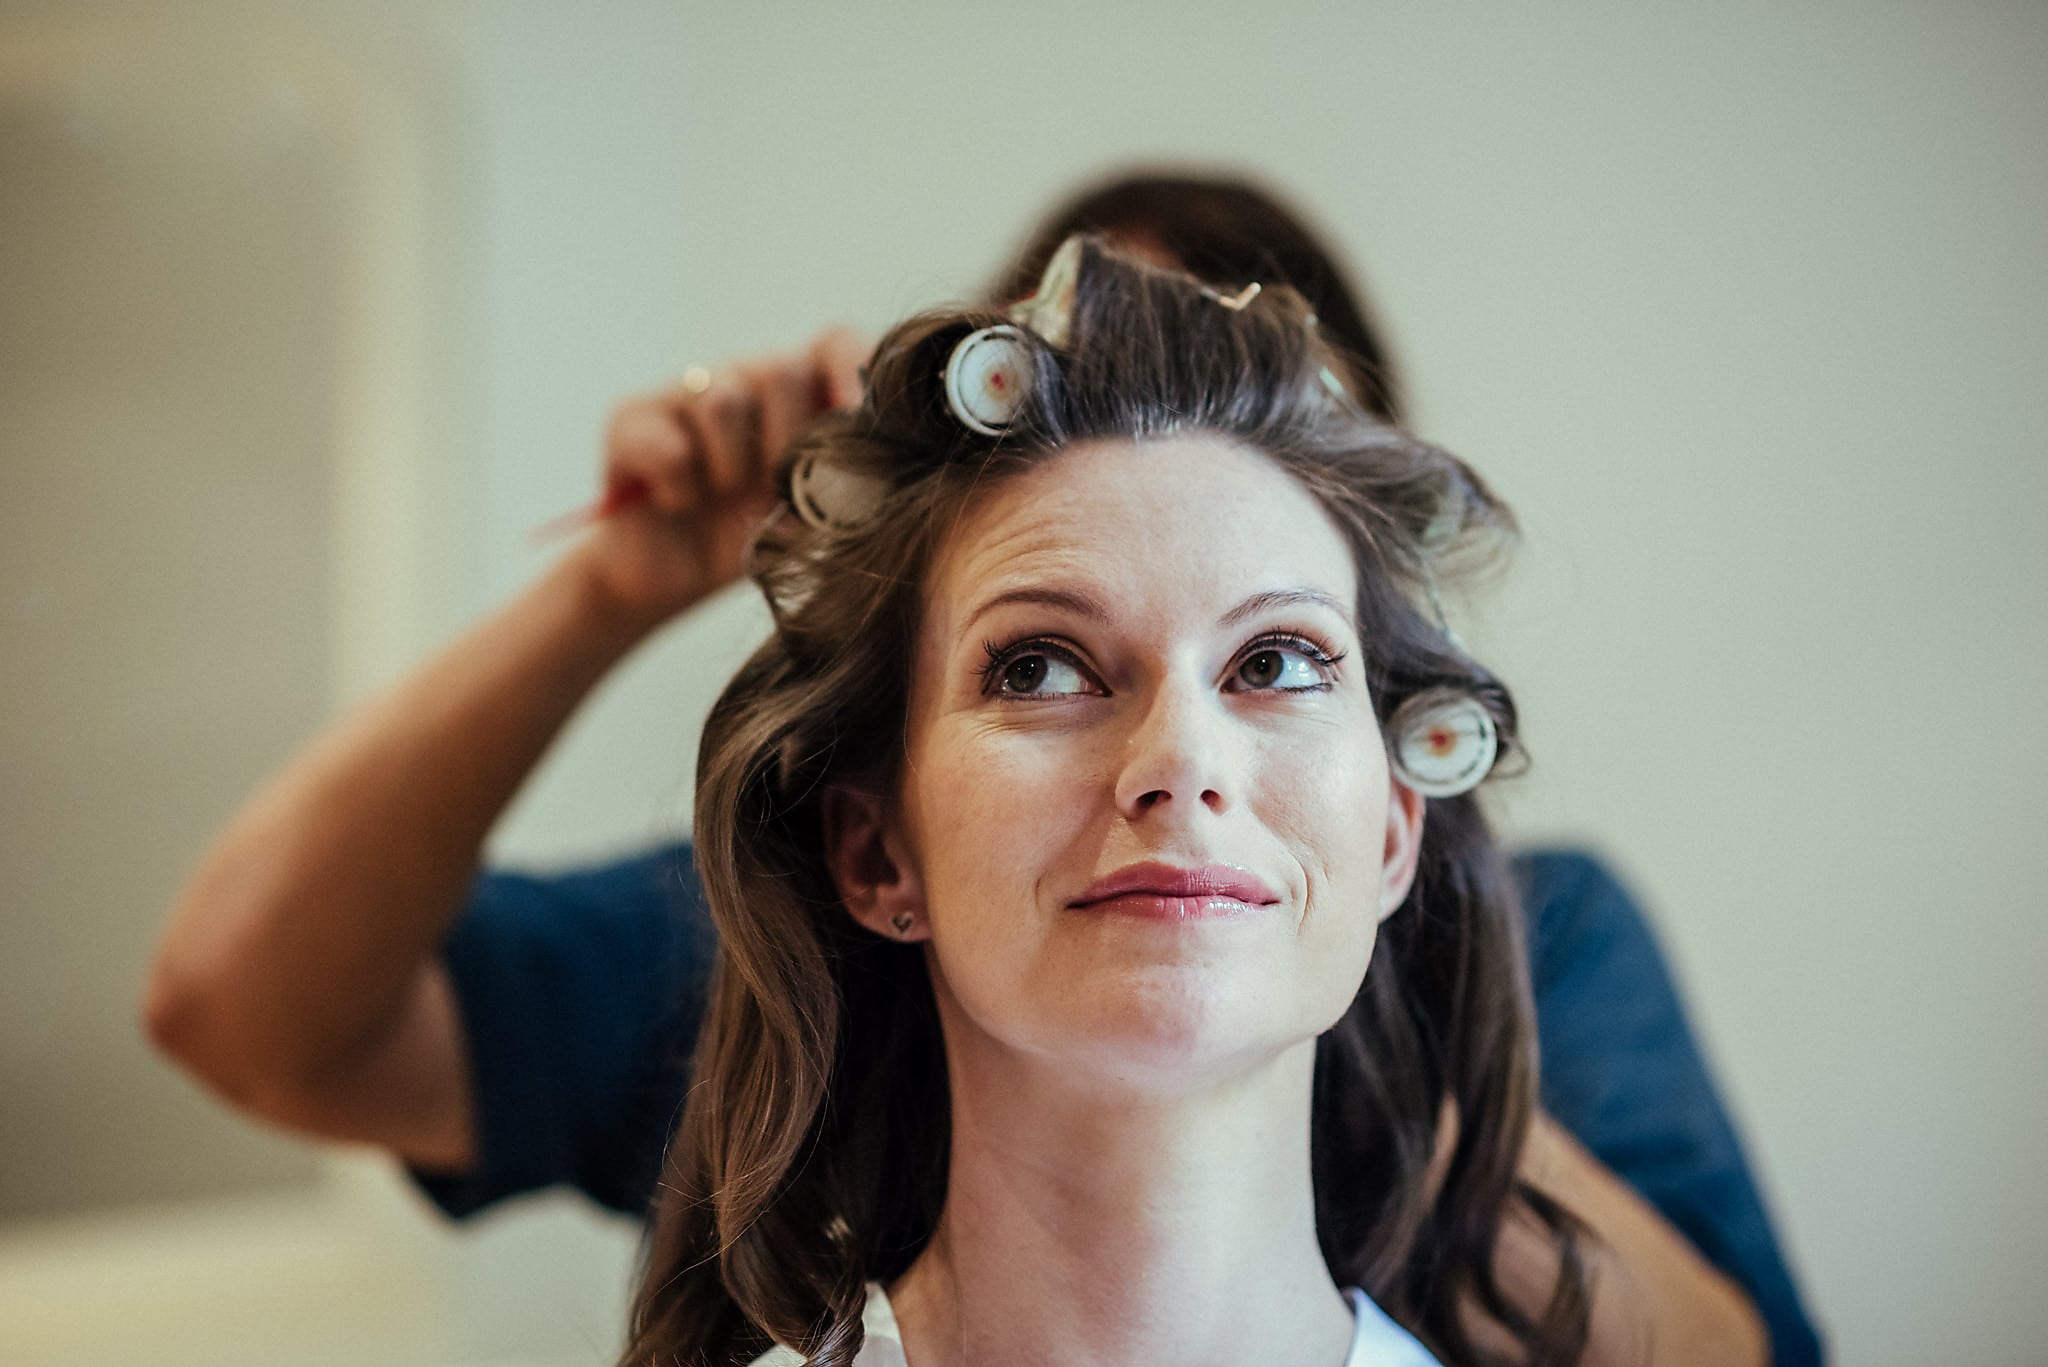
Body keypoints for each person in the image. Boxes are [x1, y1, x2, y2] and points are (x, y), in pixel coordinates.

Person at [143, 174, 1817, 1363]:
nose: (1180, 761)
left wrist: (1320, 981)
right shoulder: (751, 922)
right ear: (876, 854)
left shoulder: (1541, 932)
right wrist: (614, 583)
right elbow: (239, 1007)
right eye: (1042, 662)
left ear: (1398, 806)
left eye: (1277, 659)